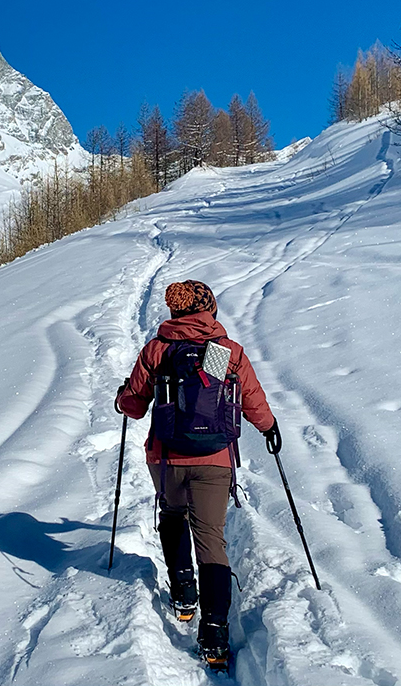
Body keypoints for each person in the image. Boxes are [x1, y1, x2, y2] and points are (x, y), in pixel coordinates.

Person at [116, 279, 281, 667]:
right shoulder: (225, 352)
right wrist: (270, 428)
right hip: (214, 459)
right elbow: (253, 399)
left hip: (167, 457)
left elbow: (135, 406)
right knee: (211, 539)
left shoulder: (158, 349)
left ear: (175, 311)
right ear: (209, 309)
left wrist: (123, 396)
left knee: (172, 516)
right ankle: (214, 635)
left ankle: (184, 592)